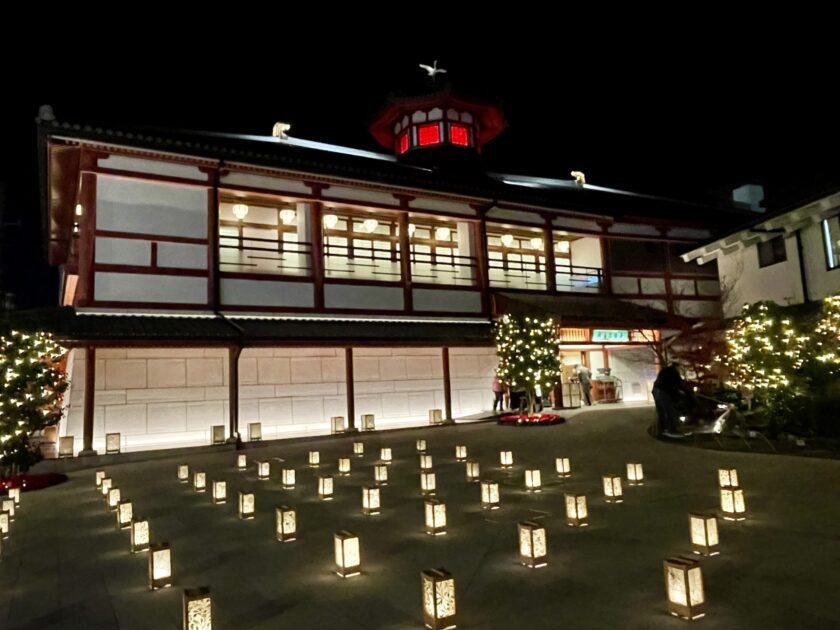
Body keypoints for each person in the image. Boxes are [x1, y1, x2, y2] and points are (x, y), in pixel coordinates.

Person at [652, 363, 690, 438]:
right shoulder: (673, 372)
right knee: (669, 411)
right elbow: (679, 384)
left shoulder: (665, 370)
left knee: (661, 412)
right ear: (677, 367)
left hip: (656, 390)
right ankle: (671, 430)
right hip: (663, 391)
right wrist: (687, 392)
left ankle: (662, 431)